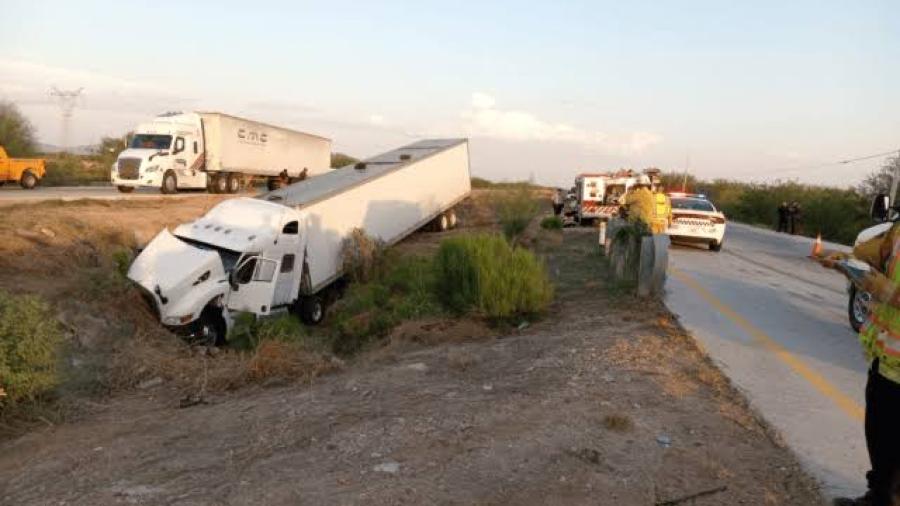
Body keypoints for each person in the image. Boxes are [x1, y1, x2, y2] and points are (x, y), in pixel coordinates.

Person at [820, 225, 900, 506]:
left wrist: (876, 285)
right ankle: (880, 496)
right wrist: (847, 262)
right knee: (881, 436)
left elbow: (887, 286)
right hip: (887, 355)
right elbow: (877, 259)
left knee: (890, 440)